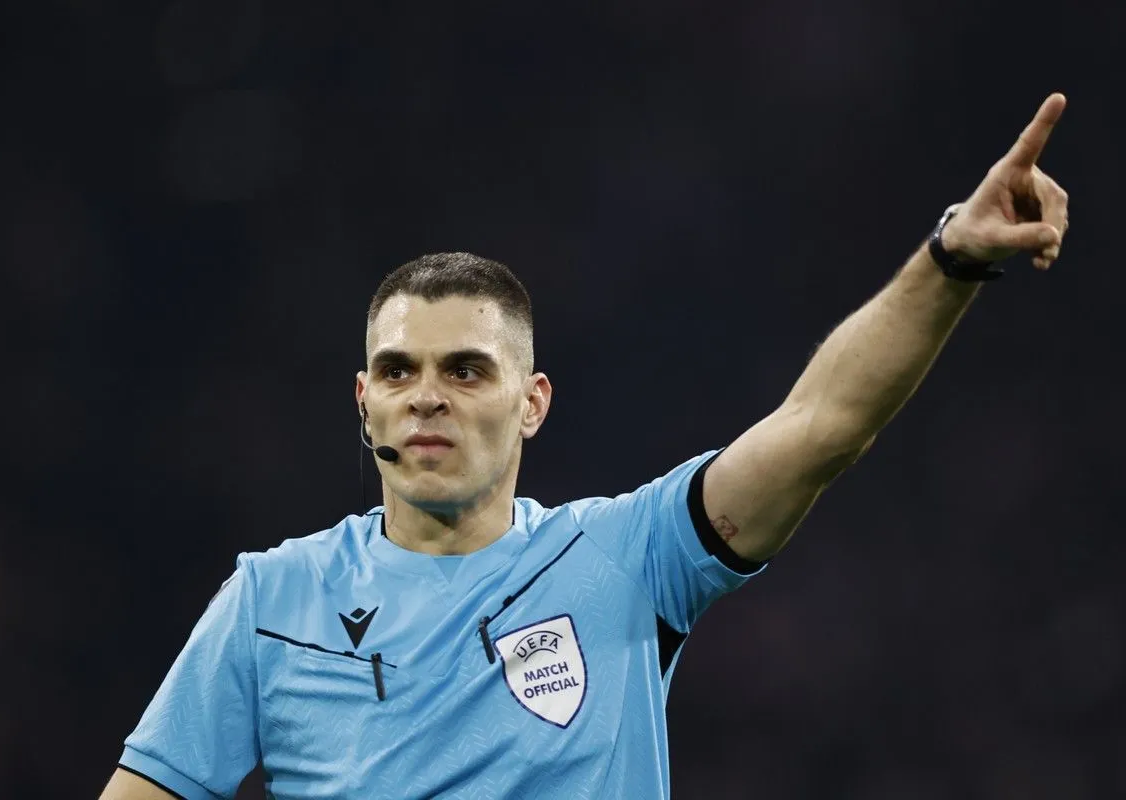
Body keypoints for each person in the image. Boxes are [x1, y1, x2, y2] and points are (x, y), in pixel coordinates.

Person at [100, 94, 1071, 800]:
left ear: (533, 403)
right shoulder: (271, 602)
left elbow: (823, 425)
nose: (426, 395)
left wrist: (950, 259)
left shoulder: (627, 558)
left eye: (466, 370)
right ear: (364, 403)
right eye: (397, 371)